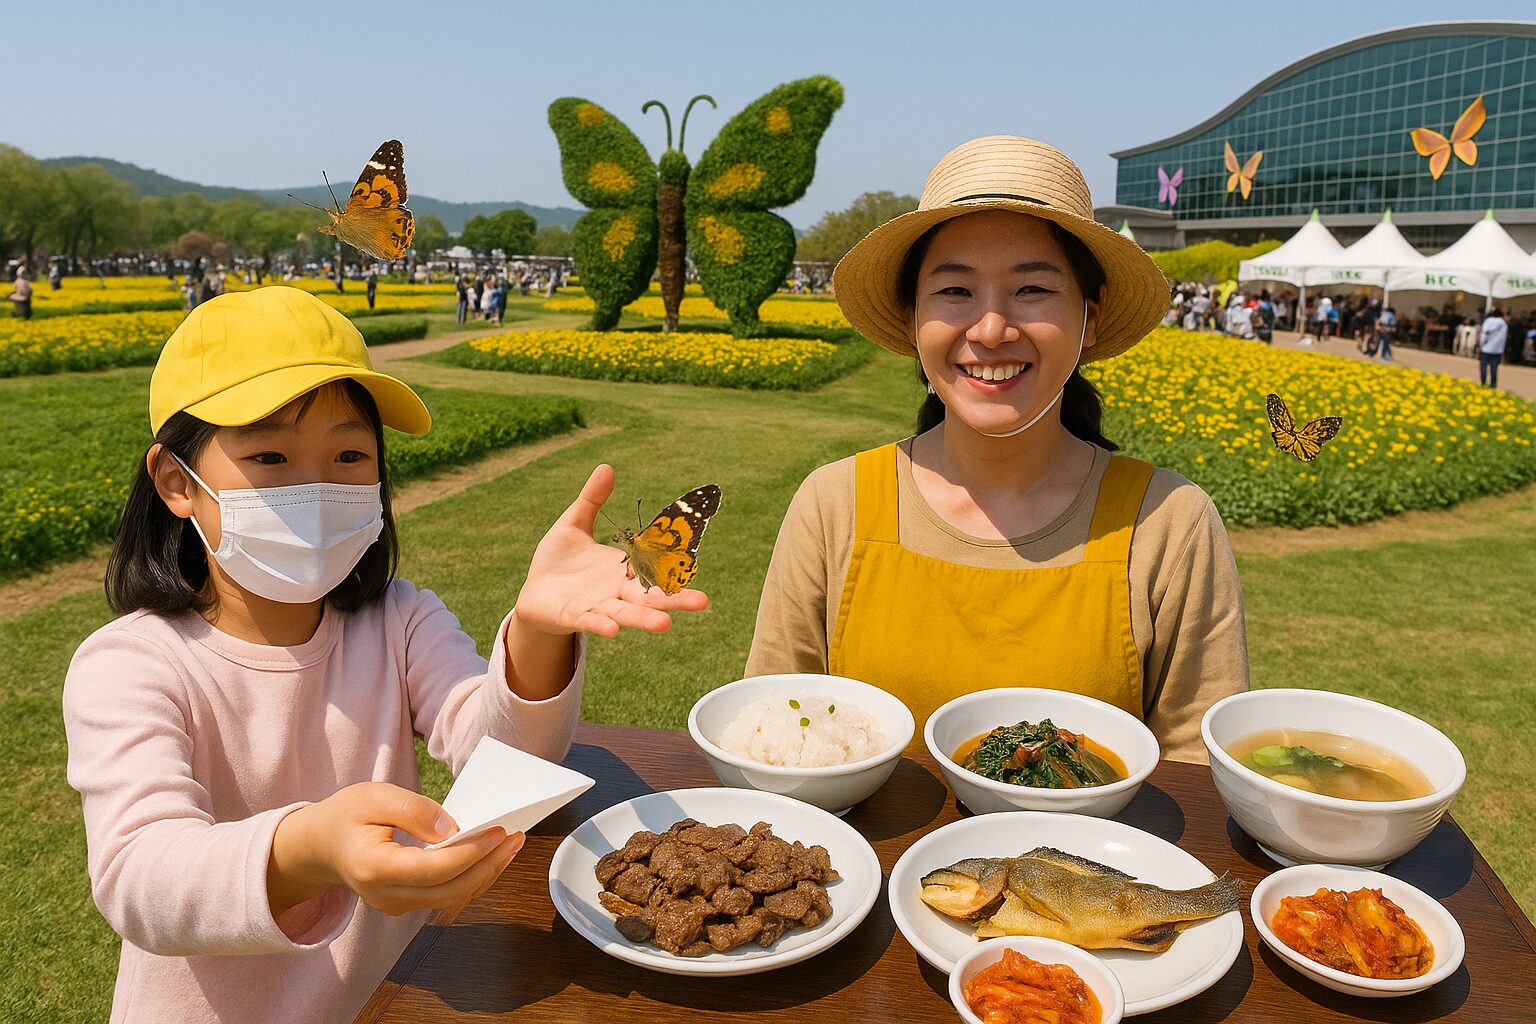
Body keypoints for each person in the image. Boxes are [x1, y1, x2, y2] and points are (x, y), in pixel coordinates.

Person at [62, 287, 707, 1023]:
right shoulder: (131, 666)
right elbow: (141, 878)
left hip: (384, 1000)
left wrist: (536, 632)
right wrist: (310, 848)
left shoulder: (398, 618)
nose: (316, 485)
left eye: (349, 454)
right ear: (178, 482)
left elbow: (500, 754)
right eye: (270, 454)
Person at [745, 136, 1248, 762]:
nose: (990, 329)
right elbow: (766, 733)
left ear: (1089, 321)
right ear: (912, 319)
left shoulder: (1169, 522)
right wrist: (576, 634)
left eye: (1032, 290)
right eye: (955, 292)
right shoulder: (834, 504)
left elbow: (1196, 773)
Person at [1478, 307, 1508, 388]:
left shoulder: (1488, 321)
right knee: (1494, 368)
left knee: (1483, 367)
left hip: (1485, 348)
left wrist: (1481, 344)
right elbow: (1503, 338)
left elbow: (1484, 333)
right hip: (1497, 350)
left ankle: (1483, 383)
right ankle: (1493, 384)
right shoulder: (1503, 324)